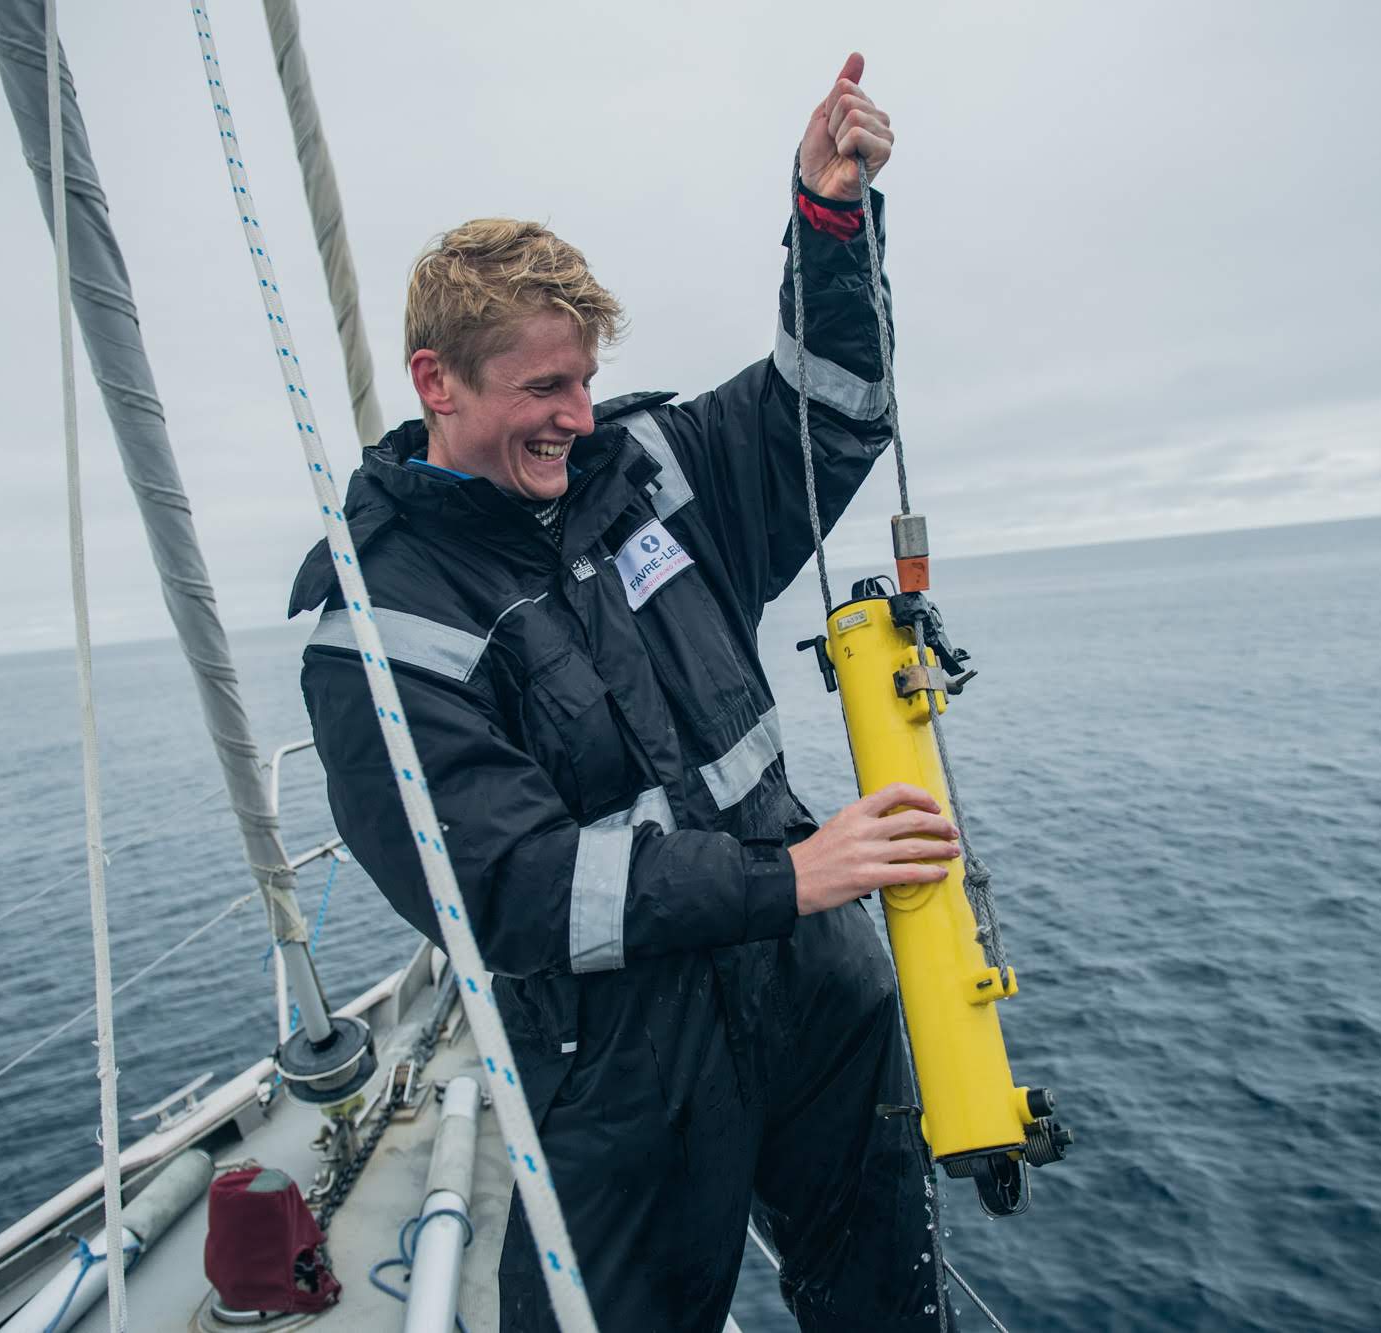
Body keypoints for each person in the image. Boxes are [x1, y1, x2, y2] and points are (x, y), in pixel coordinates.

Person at [289, 53, 958, 1331]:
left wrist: (827, 220)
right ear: (436, 382)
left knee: (884, 1292)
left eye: (586, 380)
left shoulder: (651, 467)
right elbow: (502, 887)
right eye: (544, 388)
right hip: (620, 1066)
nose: (580, 418)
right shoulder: (378, 629)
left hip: (810, 986)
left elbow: (831, 414)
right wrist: (787, 877)